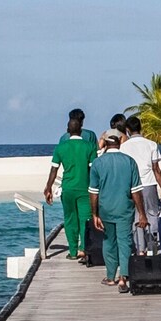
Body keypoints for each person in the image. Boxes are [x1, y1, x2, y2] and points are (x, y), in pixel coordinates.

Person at [88, 130, 148, 292]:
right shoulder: (129, 162)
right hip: (124, 208)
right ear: (120, 143)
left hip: (106, 208)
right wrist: (141, 213)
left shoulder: (98, 163)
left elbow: (93, 192)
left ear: (106, 144)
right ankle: (123, 277)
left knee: (108, 241)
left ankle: (110, 276)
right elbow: (136, 191)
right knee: (125, 241)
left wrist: (94, 214)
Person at [44, 109, 98, 260]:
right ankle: (83, 248)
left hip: (67, 188)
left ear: (67, 130)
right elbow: (93, 168)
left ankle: (73, 251)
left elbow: (54, 170)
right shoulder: (90, 146)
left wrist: (48, 188)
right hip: (85, 187)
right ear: (81, 128)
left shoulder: (61, 147)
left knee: (69, 219)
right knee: (85, 218)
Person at [118, 117, 161, 254]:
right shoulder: (151, 144)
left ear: (127, 130)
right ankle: (153, 244)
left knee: (136, 216)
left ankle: (140, 248)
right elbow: (156, 169)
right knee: (152, 213)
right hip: (149, 183)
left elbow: (123, 170)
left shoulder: (124, 146)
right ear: (141, 128)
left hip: (132, 186)